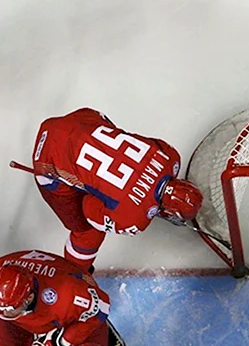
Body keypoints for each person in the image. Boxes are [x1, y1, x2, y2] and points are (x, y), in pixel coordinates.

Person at [31, 108, 203, 269]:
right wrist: (140, 205)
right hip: (48, 159)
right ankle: (75, 274)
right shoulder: (133, 220)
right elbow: (87, 207)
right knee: (87, 232)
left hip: (83, 119)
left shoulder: (170, 155)